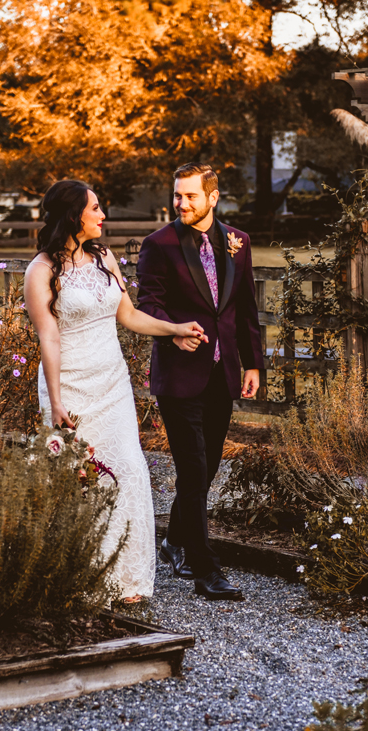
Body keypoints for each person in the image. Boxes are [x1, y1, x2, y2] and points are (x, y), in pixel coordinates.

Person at [24, 179, 207, 604]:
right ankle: (83, 579)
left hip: (112, 382)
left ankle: (127, 582)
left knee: (128, 470)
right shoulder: (42, 270)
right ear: (73, 216)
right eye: (95, 208)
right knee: (80, 482)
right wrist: (55, 401)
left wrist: (174, 329)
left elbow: (128, 315)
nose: (103, 215)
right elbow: (48, 338)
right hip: (68, 384)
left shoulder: (105, 258)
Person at [136, 163, 265, 601]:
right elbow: (148, 304)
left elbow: (246, 306)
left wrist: (253, 364)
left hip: (222, 371)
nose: (181, 203)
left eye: (190, 196)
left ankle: (173, 540)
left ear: (213, 197)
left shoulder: (238, 242)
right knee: (194, 470)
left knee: (205, 470)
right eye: (178, 195)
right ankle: (206, 567)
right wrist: (175, 330)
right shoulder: (159, 245)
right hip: (178, 374)